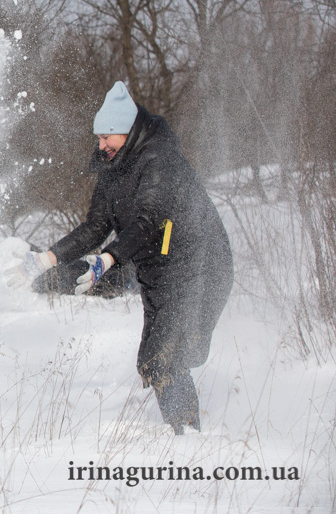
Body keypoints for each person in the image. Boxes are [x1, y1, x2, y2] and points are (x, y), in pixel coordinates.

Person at [15, 81, 232, 435]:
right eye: (99, 138)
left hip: (201, 266)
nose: (101, 145)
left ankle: (187, 436)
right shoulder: (113, 166)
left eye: (107, 137)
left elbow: (149, 220)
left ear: (127, 131)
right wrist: (48, 258)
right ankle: (184, 434)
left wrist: (108, 259)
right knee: (156, 358)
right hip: (160, 272)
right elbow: (95, 226)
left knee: (165, 356)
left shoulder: (161, 158)